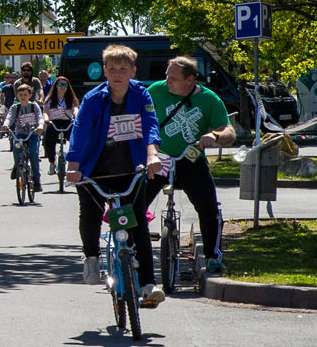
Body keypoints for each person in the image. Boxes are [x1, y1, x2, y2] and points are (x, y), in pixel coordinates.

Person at [64, 43, 165, 306]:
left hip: (131, 168)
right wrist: (74, 165)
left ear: (132, 71)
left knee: (137, 224)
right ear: (104, 72)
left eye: (123, 69)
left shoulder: (141, 95)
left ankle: (147, 284)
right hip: (94, 169)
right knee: (90, 214)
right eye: (112, 69)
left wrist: (152, 155)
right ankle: (92, 257)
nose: (117, 74)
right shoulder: (93, 99)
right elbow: (80, 131)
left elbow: (150, 125)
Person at [145, 55, 236, 275]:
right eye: (167, 75)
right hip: (160, 158)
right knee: (135, 202)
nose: (167, 80)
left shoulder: (208, 99)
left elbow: (229, 132)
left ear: (190, 80)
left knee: (208, 206)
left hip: (191, 159)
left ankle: (213, 256)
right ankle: (132, 249)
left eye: (173, 78)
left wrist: (214, 135)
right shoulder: (155, 91)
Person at [4, 81, 44, 191]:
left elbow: (40, 117)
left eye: (25, 95)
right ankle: (17, 166)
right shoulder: (15, 107)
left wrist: (40, 125)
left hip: (33, 133)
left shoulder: (34, 106)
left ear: (30, 95)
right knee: (16, 149)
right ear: (17, 96)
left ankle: (37, 180)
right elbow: (9, 117)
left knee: (33, 153)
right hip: (20, 134)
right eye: (20, 95)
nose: (23, 97)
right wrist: (5, 125)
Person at [43, 75, 79, 174]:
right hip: (54, 122)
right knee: (48, 140)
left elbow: (75, 109)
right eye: (60, 84)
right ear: (56, 86)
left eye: (65, 84)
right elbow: (46, 111)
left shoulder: (70, 98)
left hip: (68, 122)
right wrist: (46, 119)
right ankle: (52, 162)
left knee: (76, 140)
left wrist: (76, 116)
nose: (62, 86)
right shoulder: (51, 98)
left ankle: (73, 163)